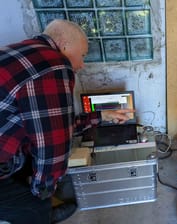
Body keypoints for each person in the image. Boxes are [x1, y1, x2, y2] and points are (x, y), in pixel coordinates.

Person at [0, 19, 134, 224]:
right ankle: (45, 213)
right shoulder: (54, 66)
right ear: (64, 46)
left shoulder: (18, 50)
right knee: (33, 209)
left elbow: (50, 125)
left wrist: (100, 116)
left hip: (9, 146)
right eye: (82, 56)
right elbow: (54, 146)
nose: (81, 65)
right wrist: (43, 191)